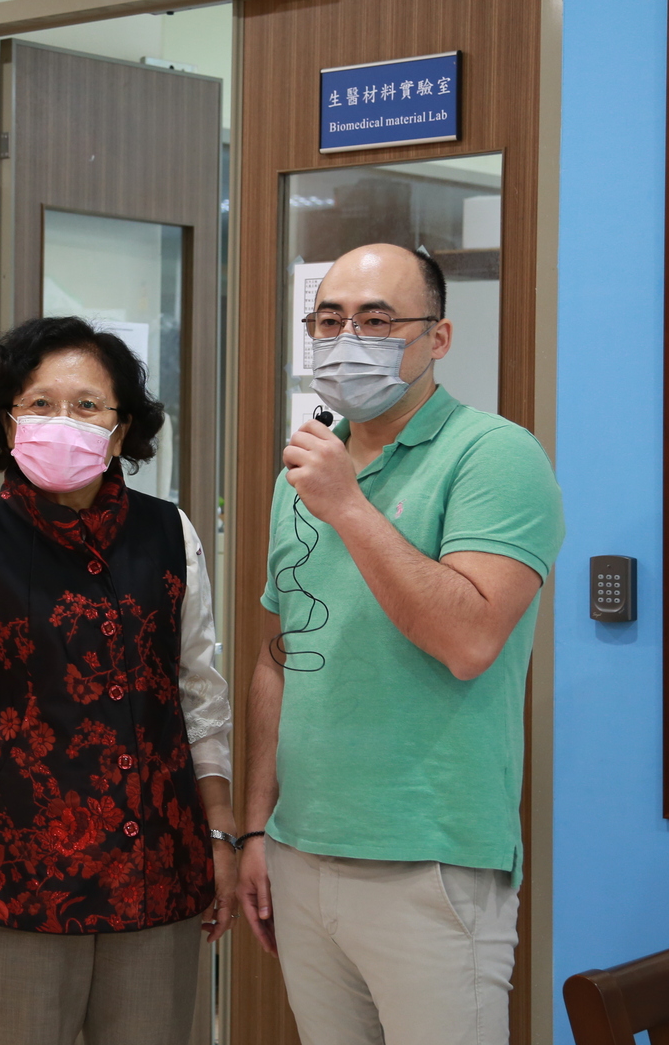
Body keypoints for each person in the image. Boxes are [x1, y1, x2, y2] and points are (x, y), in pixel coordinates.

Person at [234, 243, 565, 1045]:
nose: (349, 338)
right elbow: (285, 653)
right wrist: (255, 827)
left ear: (438, 338)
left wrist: (347, 505)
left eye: (377, 320)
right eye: (330, 319)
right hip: (300, 853)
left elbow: (470, 640)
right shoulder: (304, 470)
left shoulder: (495, 456)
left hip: (430, 859)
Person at [0, 316, 237, 1045]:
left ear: (120, 432)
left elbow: (201, 698)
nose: (65, 421)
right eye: (41, 403)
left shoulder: (170, 533)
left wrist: (219, 834)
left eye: (88, 406)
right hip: (18, 884)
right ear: (9, 420)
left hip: (160, 876)